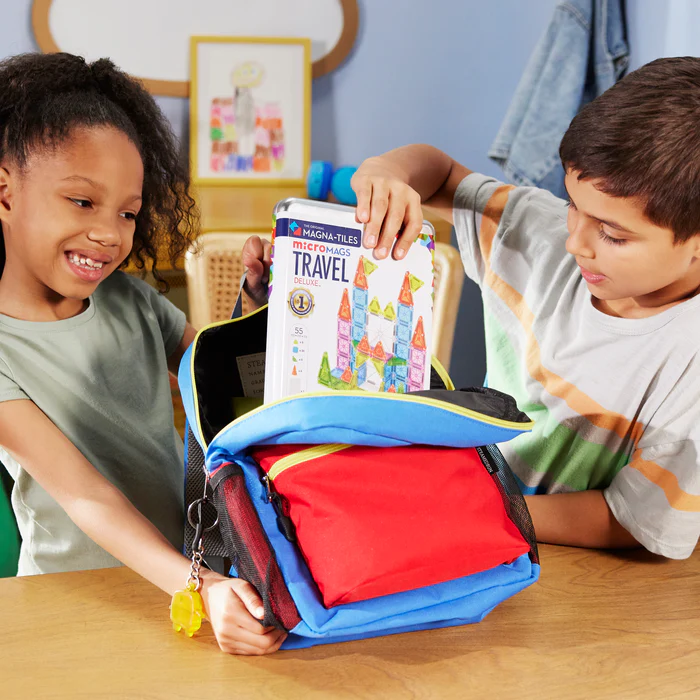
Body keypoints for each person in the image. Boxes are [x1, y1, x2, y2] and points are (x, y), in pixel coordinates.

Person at [245, 57, 700, 560]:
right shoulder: (537, 232)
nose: (575, 242)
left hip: (570, 565)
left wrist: (476, 509)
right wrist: (385, 173)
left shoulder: (689, 359)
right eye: (573, 205)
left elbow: (634, 519)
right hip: (462, 511)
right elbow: (440, 174)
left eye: (612, 235)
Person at [0, 52, 284, 655]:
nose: (110, 233)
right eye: (82, 202)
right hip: (74, 601)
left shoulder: (130, 298)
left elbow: (224, 388)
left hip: (179, 585)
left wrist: (258, 304)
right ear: (5, 192)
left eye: (127, 213)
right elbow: (84, 494)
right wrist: (200, 585)